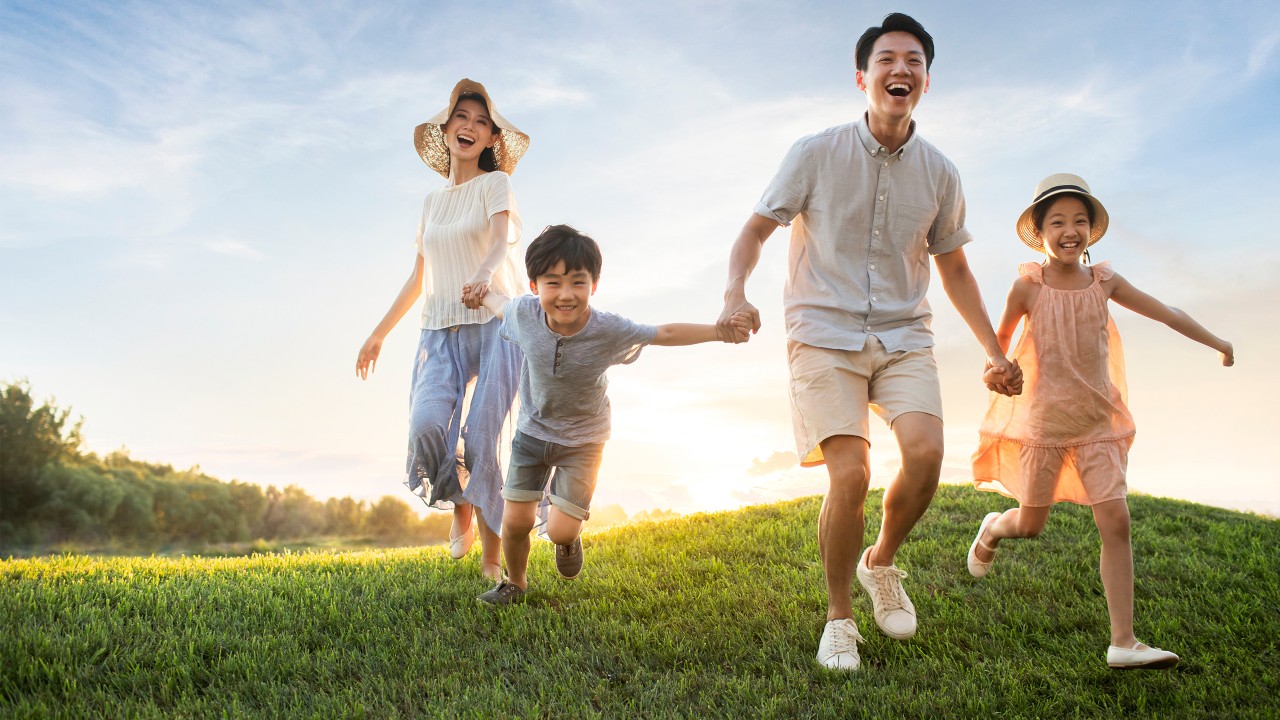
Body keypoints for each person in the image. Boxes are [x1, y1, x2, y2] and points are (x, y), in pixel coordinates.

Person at [715, 13, 1022, 671]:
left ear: (927, 82)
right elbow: (753, 230)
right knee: (850, 473)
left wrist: (995, 352)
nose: (900, 69)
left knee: (927, 452)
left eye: (913, 60)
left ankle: (880, 562)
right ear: (863, 77)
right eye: (886, 59)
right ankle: (839, 618)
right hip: (823, 334)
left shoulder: (941, 172)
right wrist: (735, 293)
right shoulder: (814, 152)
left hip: (905, 334)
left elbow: (956, 267)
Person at [966, 173, 1234, 670]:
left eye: (1080, 221)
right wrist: (997, 371)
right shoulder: (1028, 286)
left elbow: (1166, 313)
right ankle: (992, 529)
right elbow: (994, 353)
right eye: (1059, 222)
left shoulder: (1104, 282)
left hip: (1097, 424)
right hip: (1045, 426)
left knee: (1116, 521)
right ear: (1040, 231)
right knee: (1030, 523)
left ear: (1091, 230)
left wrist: (1218, 342)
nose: (1071, 230)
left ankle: (1123, 641)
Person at [464, 224, 752, 605]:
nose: (566, 295)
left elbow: (662, 332)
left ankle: (568, 539)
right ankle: (514, 583)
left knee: (562, 530)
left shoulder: (609, 330)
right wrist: (481, 296)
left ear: (594, 285)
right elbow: (501, 306)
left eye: (577, 283)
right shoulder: (523, 314)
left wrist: (719, 331)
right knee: (515, 521)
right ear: (534, 286)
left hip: (584, 441)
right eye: (553, 283)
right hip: (532, 434)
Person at [356, 79, 531, 582]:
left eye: (481, 122)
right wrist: (378, 333)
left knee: (481, 440)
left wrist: (482, 275)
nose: (470, 127)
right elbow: (418, 278)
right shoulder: (431, 204)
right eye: (462, 118)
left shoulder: (496, 185)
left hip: (496, 323)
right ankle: (459, 503)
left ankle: (493, 559)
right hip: (438, 332)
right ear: (446, 129)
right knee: (427, 427)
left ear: (492, 139)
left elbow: (500, 240)